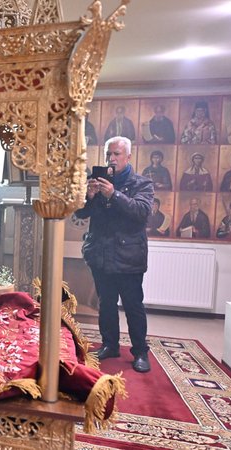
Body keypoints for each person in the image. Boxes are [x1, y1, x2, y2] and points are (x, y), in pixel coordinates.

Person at [76, 136, 153, 373]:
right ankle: (110, 345)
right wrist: (88, 196)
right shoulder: (98, 180)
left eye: (116, 154)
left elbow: (141, 212)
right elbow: (81, 214)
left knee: (133, 305)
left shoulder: (142, 183)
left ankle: (140, 351)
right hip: (100, 254)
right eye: (108, 154)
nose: (111, 158)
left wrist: (114, 195)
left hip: (129, 256)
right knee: (106, 303)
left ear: (128, 156)